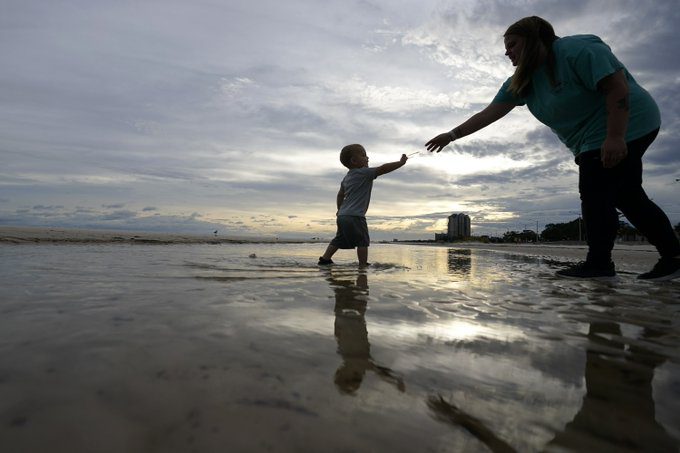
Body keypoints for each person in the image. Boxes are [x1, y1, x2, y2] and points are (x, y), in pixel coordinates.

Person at [425, 16, 680, 280]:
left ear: (534, 39)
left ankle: (600, 264)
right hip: (590, 139)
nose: (507, 52)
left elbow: (616, 86)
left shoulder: (575, 50)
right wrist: (451, 135)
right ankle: (673, 257)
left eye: (512, 44)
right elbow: (490, 113)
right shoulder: (522, 80)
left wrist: (615, 136)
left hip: (628, 122)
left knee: (595, 190)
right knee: (627, 196)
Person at [319, 144, 407, 266]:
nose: (367, 158)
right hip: (356, 216)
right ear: (354, 161)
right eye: (364, 155)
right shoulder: (365, 173)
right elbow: (383, 169)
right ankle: (362, 264)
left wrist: (339, 209)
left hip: (342, 216)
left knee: (339, 239)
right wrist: (400, 163)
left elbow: (340, 195)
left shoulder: (346, 178)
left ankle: (325, 259)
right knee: (362, 241)